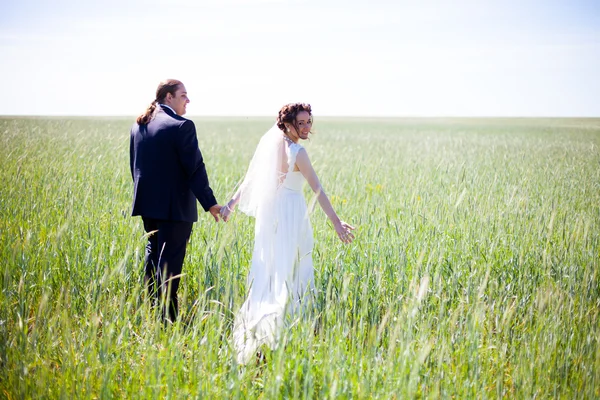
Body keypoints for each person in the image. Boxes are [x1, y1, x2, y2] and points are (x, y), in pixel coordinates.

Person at [220, 103, 355, 364]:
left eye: (308, 122)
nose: (306, 128)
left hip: (270, 215)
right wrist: (336, 222)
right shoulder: (297, 152)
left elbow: (250, 179)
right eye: (301, 123)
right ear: (288, 124)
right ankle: (285, 332)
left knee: (272, 269)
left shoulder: (273, 147)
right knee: (291, 270)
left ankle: (265, 332)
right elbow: (318, 189)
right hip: (291, 214)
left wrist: (231, 205)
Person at [129, 79, 222, 323]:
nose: (187, 100)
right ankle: (168, 320)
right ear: (168, 97)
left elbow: (135, 167)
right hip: (175, 208)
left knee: (153, 258)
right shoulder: (182, 126)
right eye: (183, 95)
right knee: (169, 264)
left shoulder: (139, 125)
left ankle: (153, 312)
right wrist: (210, 203)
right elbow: (195, 169)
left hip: (148, 205)